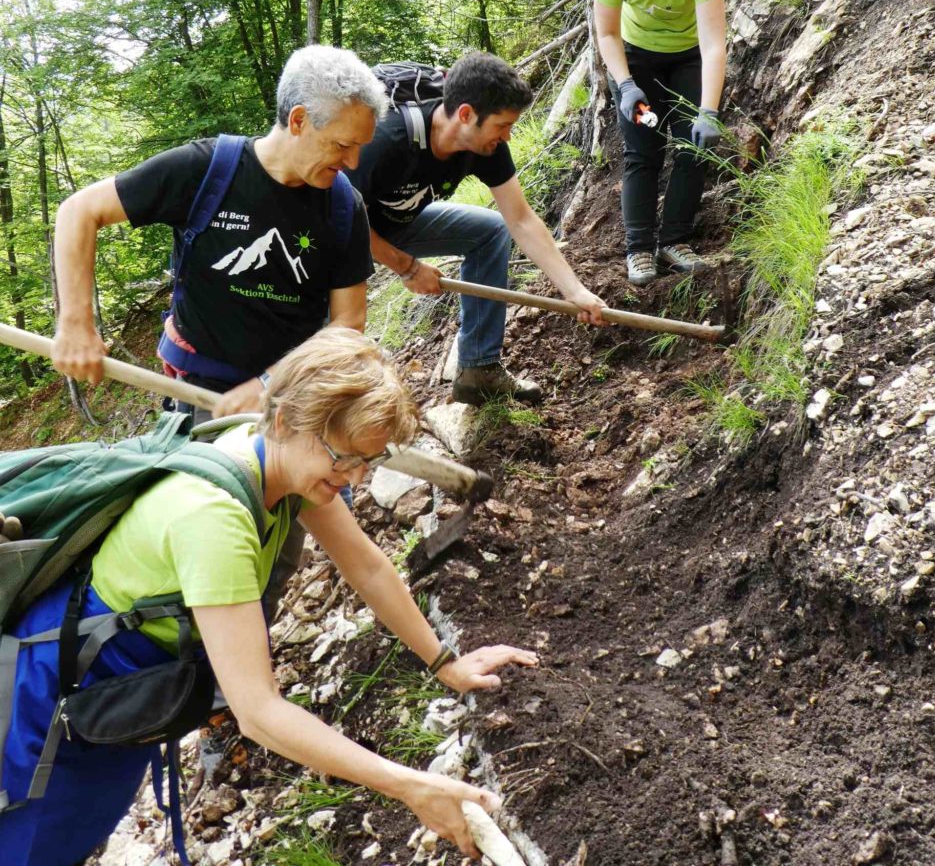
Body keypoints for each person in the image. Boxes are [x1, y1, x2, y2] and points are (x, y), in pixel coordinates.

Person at [0, 327, 537, 865]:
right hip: (50, 704)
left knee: (78, 832)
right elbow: (256, 710)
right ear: (284, 420)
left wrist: (446, 663)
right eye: (345, 458)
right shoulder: (214, 519)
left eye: (367, 463)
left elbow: (367, 567)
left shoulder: (278, 467)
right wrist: (410, 786)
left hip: (121, 700)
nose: (352, 478)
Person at [51, 45, 388, 420]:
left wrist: (268, 384)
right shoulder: (205, 171)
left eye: (360, 147)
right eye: (343, 145)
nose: (354, 162)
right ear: (298, 121)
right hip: (204, 390)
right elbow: (79, 211)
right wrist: (76, 323)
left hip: (297, 391)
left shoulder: (345, 206)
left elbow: (348, 324)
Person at [347, 51, 606, 406]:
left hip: (397, 223)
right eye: (502, 126)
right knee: (343, 331)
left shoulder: (486, 147)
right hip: (336, 236)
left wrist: (573, 290)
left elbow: (521, 219)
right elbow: (342, 222)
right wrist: (407, 267)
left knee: (491, 231)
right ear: (466, 114)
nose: (508, 137)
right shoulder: (387, 141)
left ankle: (479, 372)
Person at [593, 0, 727, 287]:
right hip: (636, 58)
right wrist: (627, 85)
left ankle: (675, 241)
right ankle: (639, 250)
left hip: (689, 55)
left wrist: (708, 111)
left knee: (692, 147)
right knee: (642, 151)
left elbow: (714, 43)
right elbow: (608, 35)